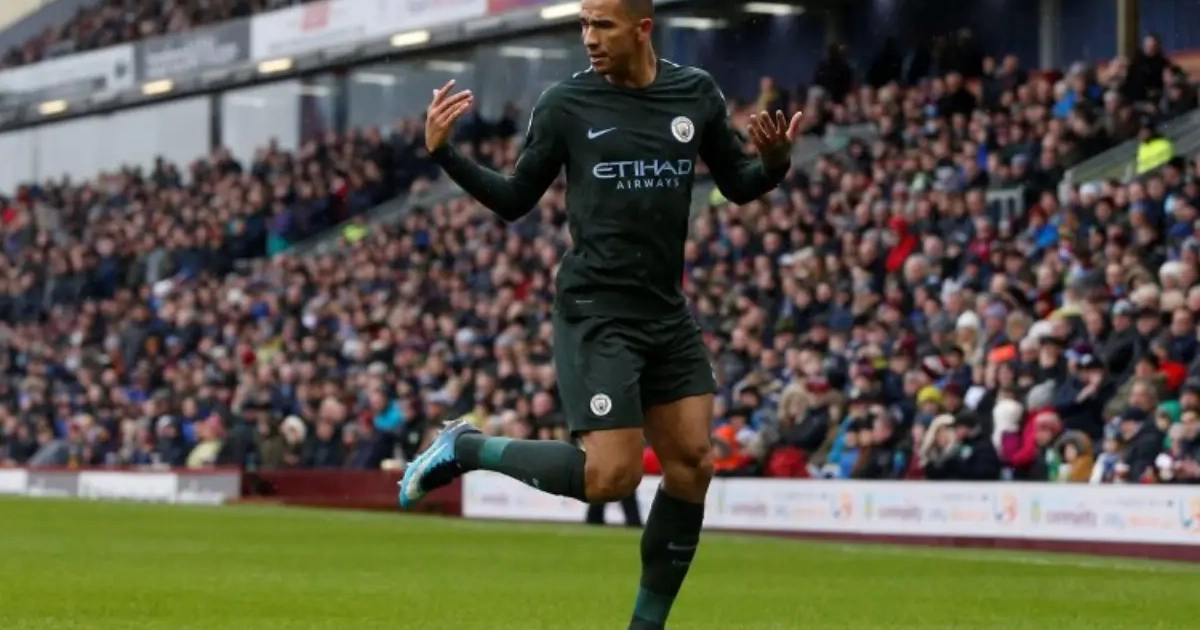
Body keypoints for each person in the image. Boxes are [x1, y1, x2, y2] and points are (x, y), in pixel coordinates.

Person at [397, 0, 799, 627]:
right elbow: (514, 198)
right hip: (597, 310)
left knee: (693, 465)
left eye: (602, 24)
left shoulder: (695, 93)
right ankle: (466, 448)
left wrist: (774, 163)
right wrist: (445, 154)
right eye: (583, 24)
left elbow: (739, 183)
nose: (589, 37)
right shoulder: (566, 104)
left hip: (665, 310)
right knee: (611, 478)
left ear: (643, 29)